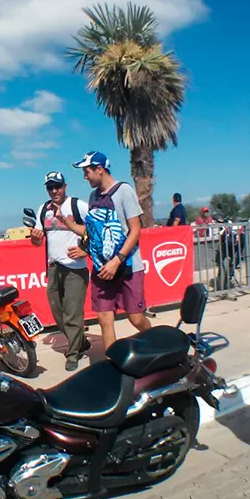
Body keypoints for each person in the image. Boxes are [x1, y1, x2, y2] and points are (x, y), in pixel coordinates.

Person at [61, 150, 151, 351]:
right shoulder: (93, 197)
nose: (84, 177)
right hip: (103, 268)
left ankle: (156, 343)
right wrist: (67, 223)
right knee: (104, 317)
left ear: (99, 169)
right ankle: (112, 362)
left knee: (135, 318)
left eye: (87, 172)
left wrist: (117, 260)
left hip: (127, 266)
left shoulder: (124, 191)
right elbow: (93, 231)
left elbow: (135, 230)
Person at [29, 171, 92, 371]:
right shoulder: (43, 209)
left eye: (58, 186)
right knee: (57, 311)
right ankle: (80, 341)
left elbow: (98, 229)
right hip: (53, 267)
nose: (54, 191)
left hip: (75, 268)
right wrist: (35, 237)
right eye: (50, 187)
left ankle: (73, 354)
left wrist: (85, 250)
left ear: (65, 186)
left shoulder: (77, 205)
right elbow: (37, 241)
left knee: (72, 313)